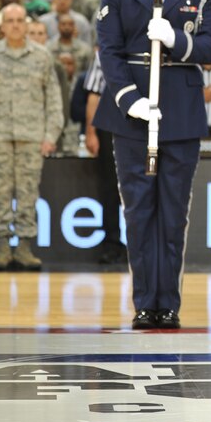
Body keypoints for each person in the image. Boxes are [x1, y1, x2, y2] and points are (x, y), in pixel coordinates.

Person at [94, 0, 211, 330]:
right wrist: (128, 98)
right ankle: (145, 302)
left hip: (180, 113)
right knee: (139, 212)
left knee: (173, 214)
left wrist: (176, 40)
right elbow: (109, 52)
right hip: (133, 116)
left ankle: (169, 303)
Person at [0, 4, 63, 270]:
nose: (15, 25)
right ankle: (2, 246)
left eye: (19, 20)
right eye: (10, 21)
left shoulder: (42, 56)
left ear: (26, 24)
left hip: (32, 135)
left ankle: (24, 246)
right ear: (2, 26)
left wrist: (51, 133)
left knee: (28, 191)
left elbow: (53, 98)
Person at [82, 51, 127, 267]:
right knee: (110, 187)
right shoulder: (105, 52)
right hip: (110, 124)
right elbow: (93, 95)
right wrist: (91, 132)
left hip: (146, 124)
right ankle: (111, 243)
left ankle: (142, 244)